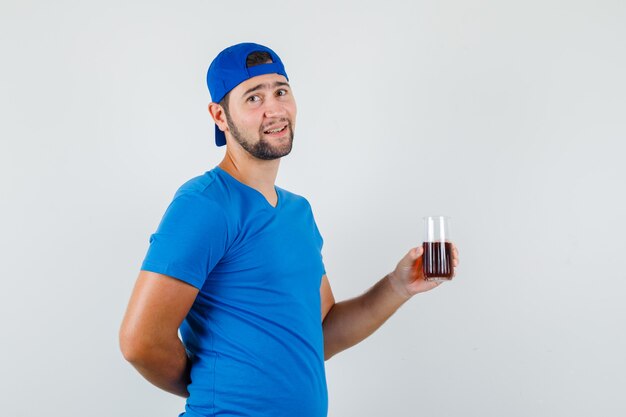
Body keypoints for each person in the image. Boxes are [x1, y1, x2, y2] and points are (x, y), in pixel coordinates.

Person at [119, 42, 459, 417]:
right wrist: (215, 384)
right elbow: (140, 342)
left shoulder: (298, 212)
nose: (275, 109)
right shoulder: (205, 204)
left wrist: (398, 286)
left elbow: (321, 333)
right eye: (253, 97)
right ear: (219, 115)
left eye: (281, 91)